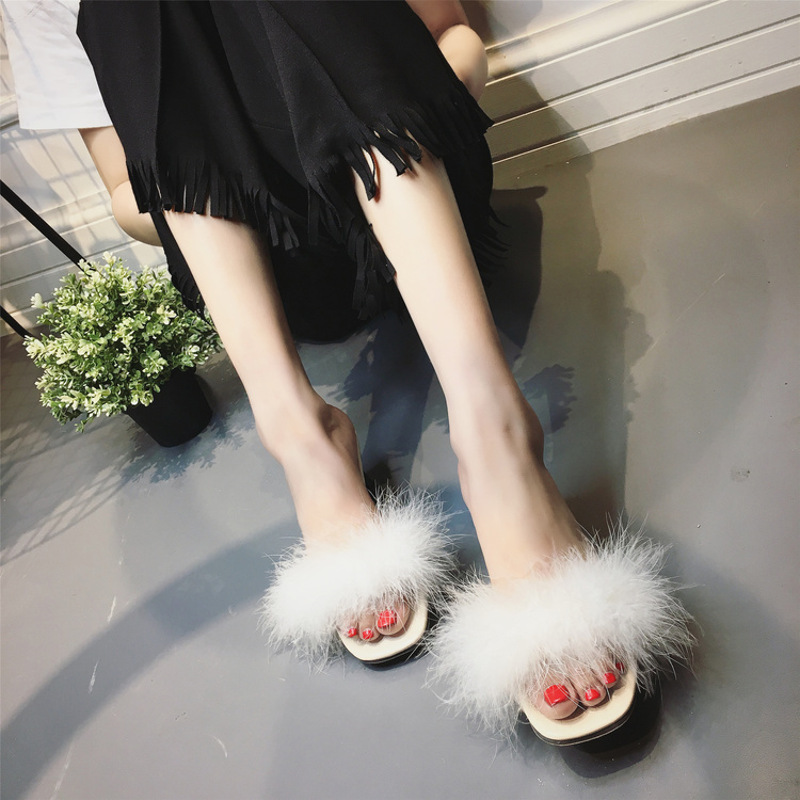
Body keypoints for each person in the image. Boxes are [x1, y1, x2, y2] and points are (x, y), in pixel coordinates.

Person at [13, 0, 693, 744]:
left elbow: (456, 40)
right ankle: (302, 439)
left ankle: (497, 439)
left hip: (413, 185)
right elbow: (128, 193)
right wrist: (249, 163)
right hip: (283, 257)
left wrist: (350, 110)